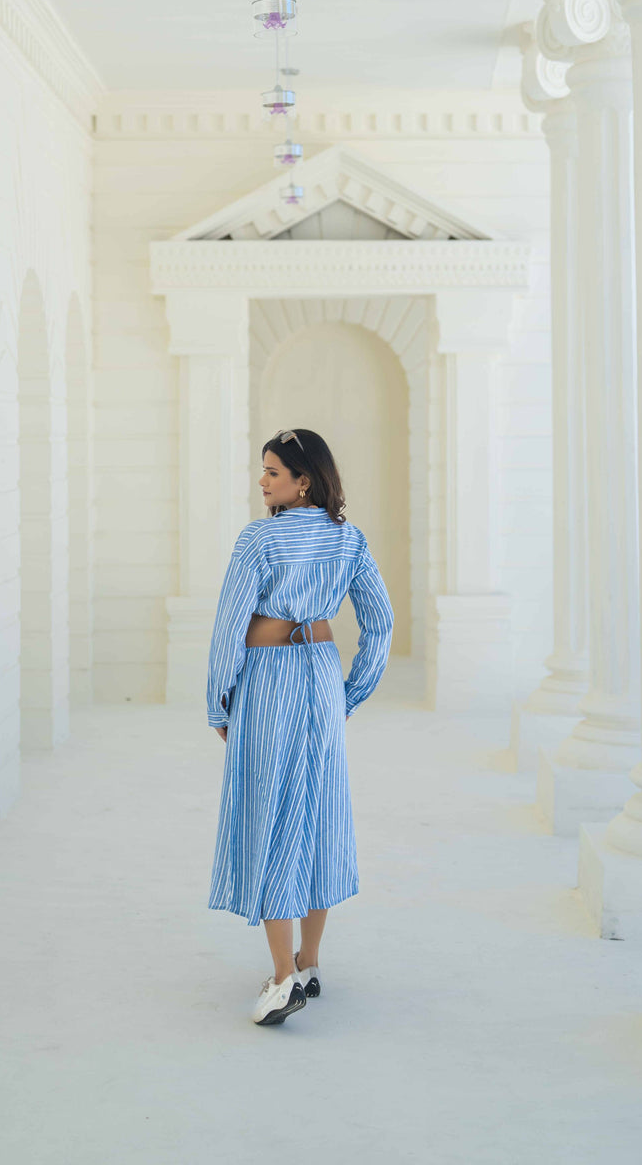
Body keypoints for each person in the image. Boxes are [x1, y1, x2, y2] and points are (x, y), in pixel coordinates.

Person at [206, 427, 395, 1027]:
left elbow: (229, 626)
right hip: (319, 678)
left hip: (268, 682)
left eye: (271, 472)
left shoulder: (258, 539)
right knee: (316, 815)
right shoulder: (350, 540)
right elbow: (381, 624)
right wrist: (348, 696)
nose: (261, 482)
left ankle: (283, 976)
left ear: (303, 480)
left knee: (269, 813)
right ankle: (309, 961)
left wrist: (220, 701)